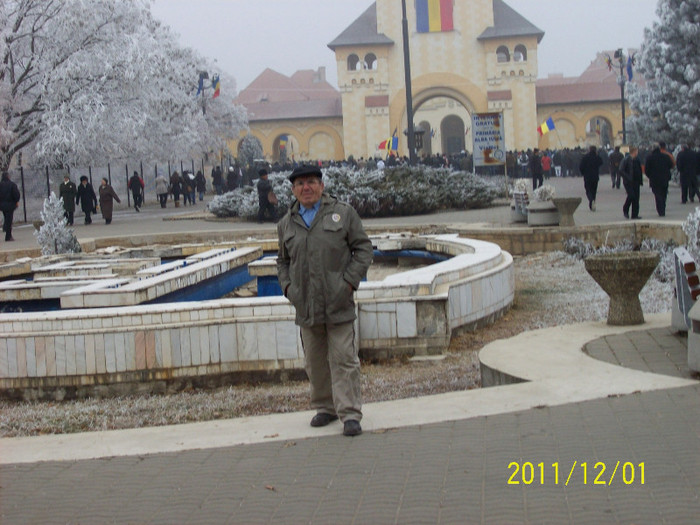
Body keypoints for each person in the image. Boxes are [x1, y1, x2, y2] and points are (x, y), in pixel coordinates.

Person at [276, 165, 373, 437]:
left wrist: (349, 283)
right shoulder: (286, 223)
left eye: (311, 182)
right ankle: (325, 407)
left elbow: (363, 249)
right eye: (300, 184)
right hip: (305, 304)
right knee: (315, 362)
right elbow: (282, 261)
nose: (306, 188)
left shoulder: (342, 214)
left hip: (338, 302)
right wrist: (288, 288)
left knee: (344, 358)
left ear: (321, 185)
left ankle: (350, 413)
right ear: (293, 190)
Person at [645, 141, 675, 217]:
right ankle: (663, 207)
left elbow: (646, 170)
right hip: (665, 178)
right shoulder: (665, 156)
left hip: (654, 179)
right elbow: (671, 165)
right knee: (664, 193)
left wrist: (650, 176)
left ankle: (660, 210)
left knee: (657, 195)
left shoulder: (649, 158)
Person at [621, 146, 643, 219]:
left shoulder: (637, 160)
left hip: (636, 181)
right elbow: (621, 170)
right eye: (636, 151)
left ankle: (635, 214)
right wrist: (627, 177)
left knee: (636, 198)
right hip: (628, 182)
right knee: (631, 196)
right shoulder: (626, 159)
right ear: (633, 151)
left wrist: (640, 180)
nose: (637, 152)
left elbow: (639, 170)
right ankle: (625, 209)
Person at [579, 145, 603, 211]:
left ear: (589, 150)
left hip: (587, 177)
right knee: (594, 191)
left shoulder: (585, 157)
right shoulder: (597, 157)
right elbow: (601, 162)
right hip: (595, 177)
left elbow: (581, 167)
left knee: (588, 190)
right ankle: (592, 203)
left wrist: (583, 173)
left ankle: (591, 200)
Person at [0, 171, 21, 241]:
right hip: (10, 205)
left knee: (6, 218)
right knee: (9, 220)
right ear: (8, 176)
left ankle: (6, 228)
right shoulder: (12, 185)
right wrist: (16, 201)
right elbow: (16, 194)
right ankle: (8, 236)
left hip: (2, 205)